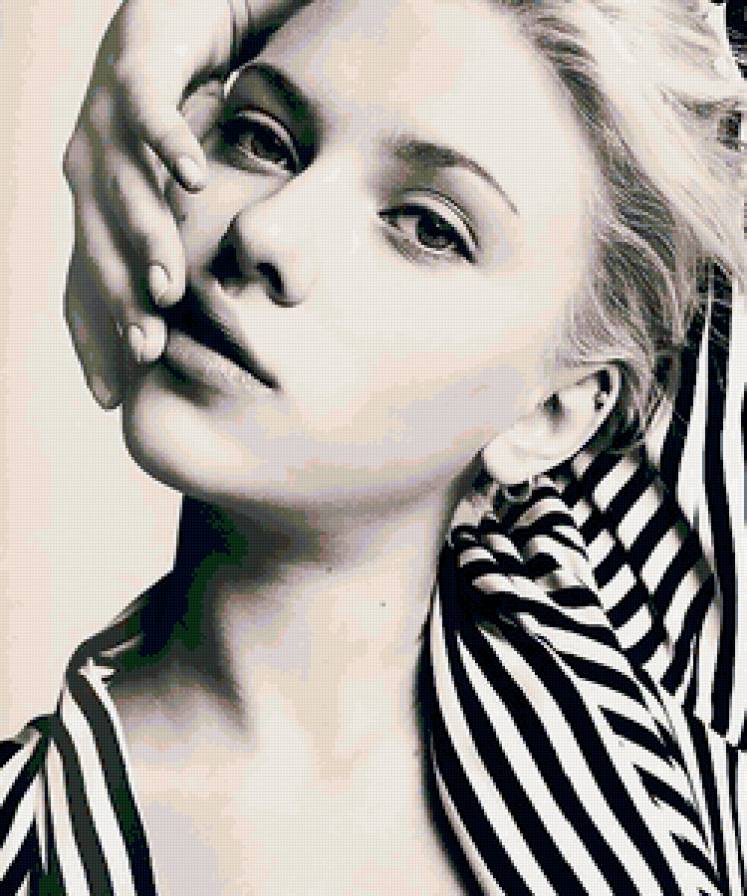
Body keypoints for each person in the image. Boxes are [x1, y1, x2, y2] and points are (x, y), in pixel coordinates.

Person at [1, 0, 745, 894]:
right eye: (261, 140)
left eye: (427, 226)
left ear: (553, 413)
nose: (263, 232)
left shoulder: (647, 665)